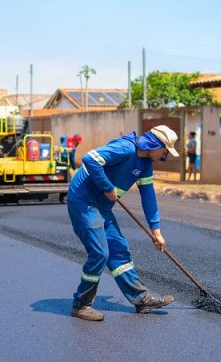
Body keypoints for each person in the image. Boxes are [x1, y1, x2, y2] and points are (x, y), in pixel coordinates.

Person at [67, 125, 179, 322]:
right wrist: (107, 187)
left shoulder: (145, 165)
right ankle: (81, 304)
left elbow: (148, 196)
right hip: (83, 201)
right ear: (155, 144)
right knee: (100, 252)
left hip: (102, 206)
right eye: (165, 150)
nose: (164, 155)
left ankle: (141, 299)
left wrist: (156, 230)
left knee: (118, 249)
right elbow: (90, 159)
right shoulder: (125, 148)